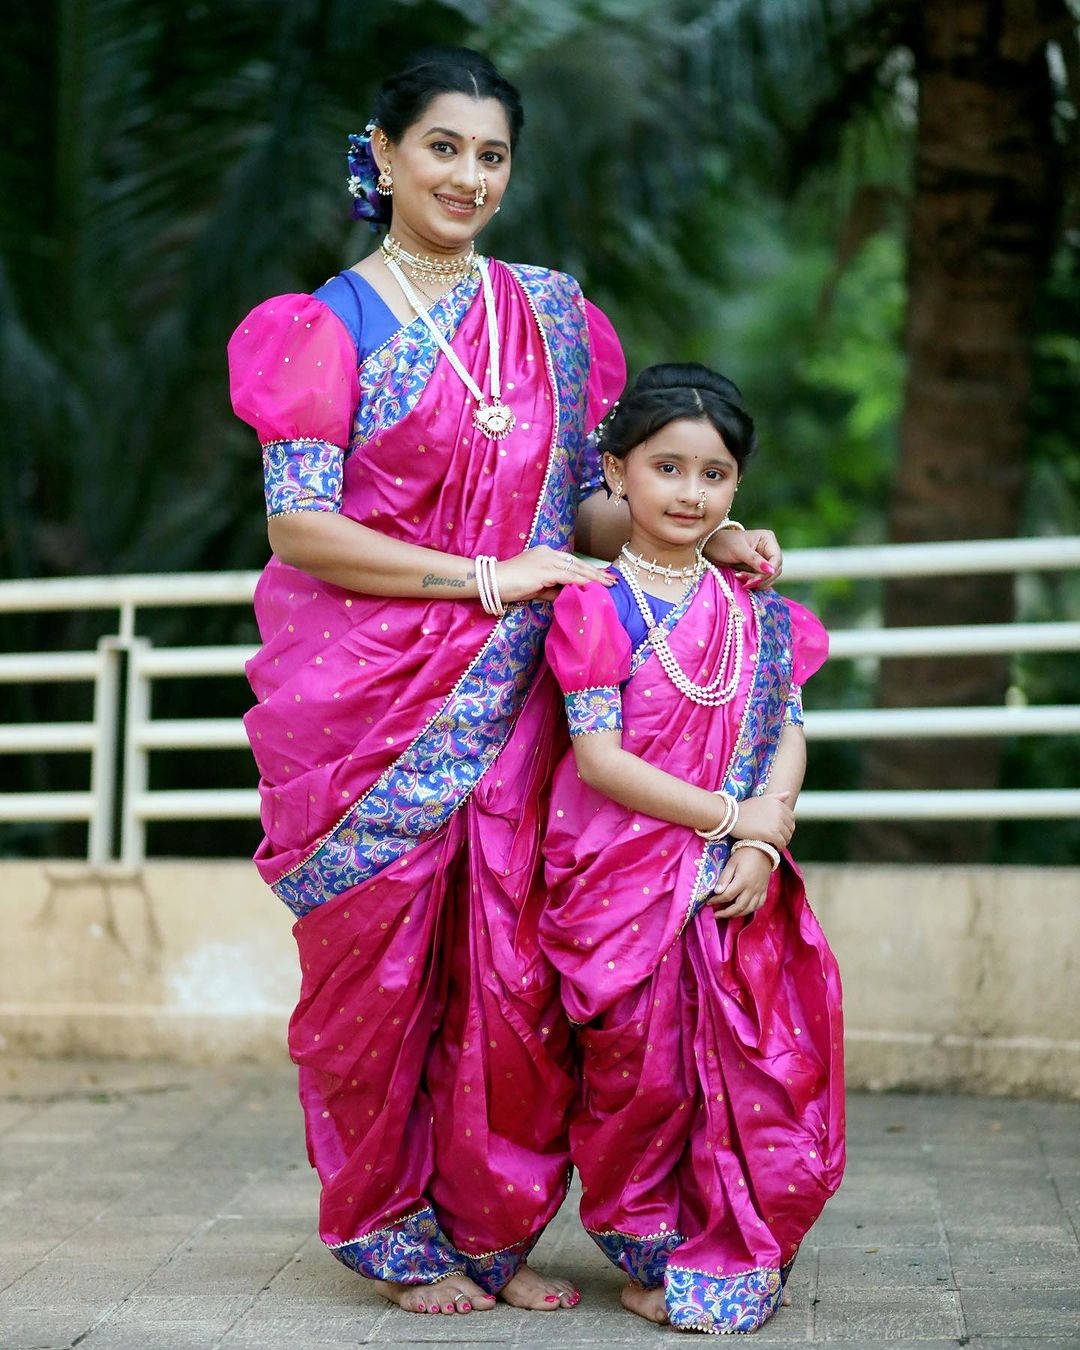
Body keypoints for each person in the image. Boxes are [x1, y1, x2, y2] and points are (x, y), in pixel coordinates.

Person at [227, 47, 782, 1318]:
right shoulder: (325, 326)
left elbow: (587, 510)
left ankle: (488, 1228)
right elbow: (301, 530)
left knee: (513, 980)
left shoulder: (549, 316)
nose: (469, 176)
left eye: (491, 155)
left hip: (527, 695)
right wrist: (483, 577)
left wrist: (707, 539)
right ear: (380, 153)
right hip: (369, 698)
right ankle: (389, 1225)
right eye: (442, 147)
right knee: (382, 977)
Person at [539, 363, 844, 1334]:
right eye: (666, 468)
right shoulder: (594, 603)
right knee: (638, 1073)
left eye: (713, 476)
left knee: (744, 1071)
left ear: (736, 490)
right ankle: (647, 1248)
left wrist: (767, 831)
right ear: (617, 472)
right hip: (616, 880)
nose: (689, 492)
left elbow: (785, 726)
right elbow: (598, 760)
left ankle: (725, 1235)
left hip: (729, 871)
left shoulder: (751, 608)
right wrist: (728, 818)